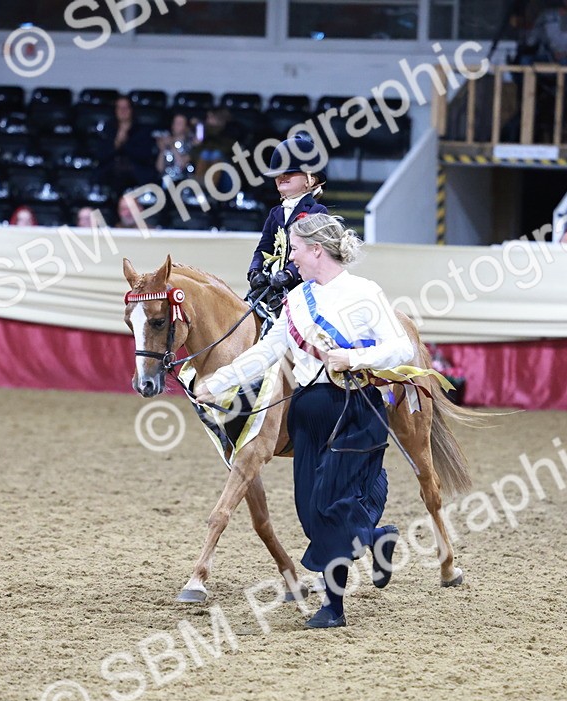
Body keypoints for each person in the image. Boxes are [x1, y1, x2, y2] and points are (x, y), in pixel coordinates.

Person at [195, 214, 409, 629]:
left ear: (316, 250)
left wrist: (355, 358)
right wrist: (218, 382)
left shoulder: (365, 293)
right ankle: (376, 536)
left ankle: (334, 607)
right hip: (309, 409)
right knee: (311, 511)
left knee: (332, 506)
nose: (290, 256)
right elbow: (267, 352)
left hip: (356, 404)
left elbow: (400, 348)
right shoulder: (296, 301)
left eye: (294, 248)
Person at [247, 135, 328, 310]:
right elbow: (263, 248)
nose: (282, 176)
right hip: (273, 288)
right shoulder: (275, 213)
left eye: (290, 172)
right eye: (278, 173)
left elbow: (312, 253)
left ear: (310, 179)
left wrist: (290, 273)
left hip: (304, 287)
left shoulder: (316, 212)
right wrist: (255, 271)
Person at [96, 95, 157, 195]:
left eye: (126, 107)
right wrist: (117, 142)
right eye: (119, 108)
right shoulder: (108, 130)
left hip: (136, 172)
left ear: (131, 110)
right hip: (110, 173)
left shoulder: (142, 131)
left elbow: (144, 155)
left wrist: (125, 142)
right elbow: (102, 155)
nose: (122, 111)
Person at [155, 112, 197, 183]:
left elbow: (181, 165)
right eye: (175, 123)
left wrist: (173, 146)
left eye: (180, 123)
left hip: (183, 183)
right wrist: (162, 150)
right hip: (166, 182)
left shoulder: (190, 144)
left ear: (186, 127)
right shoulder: (166, 143)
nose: (176, 125)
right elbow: (159, 168)